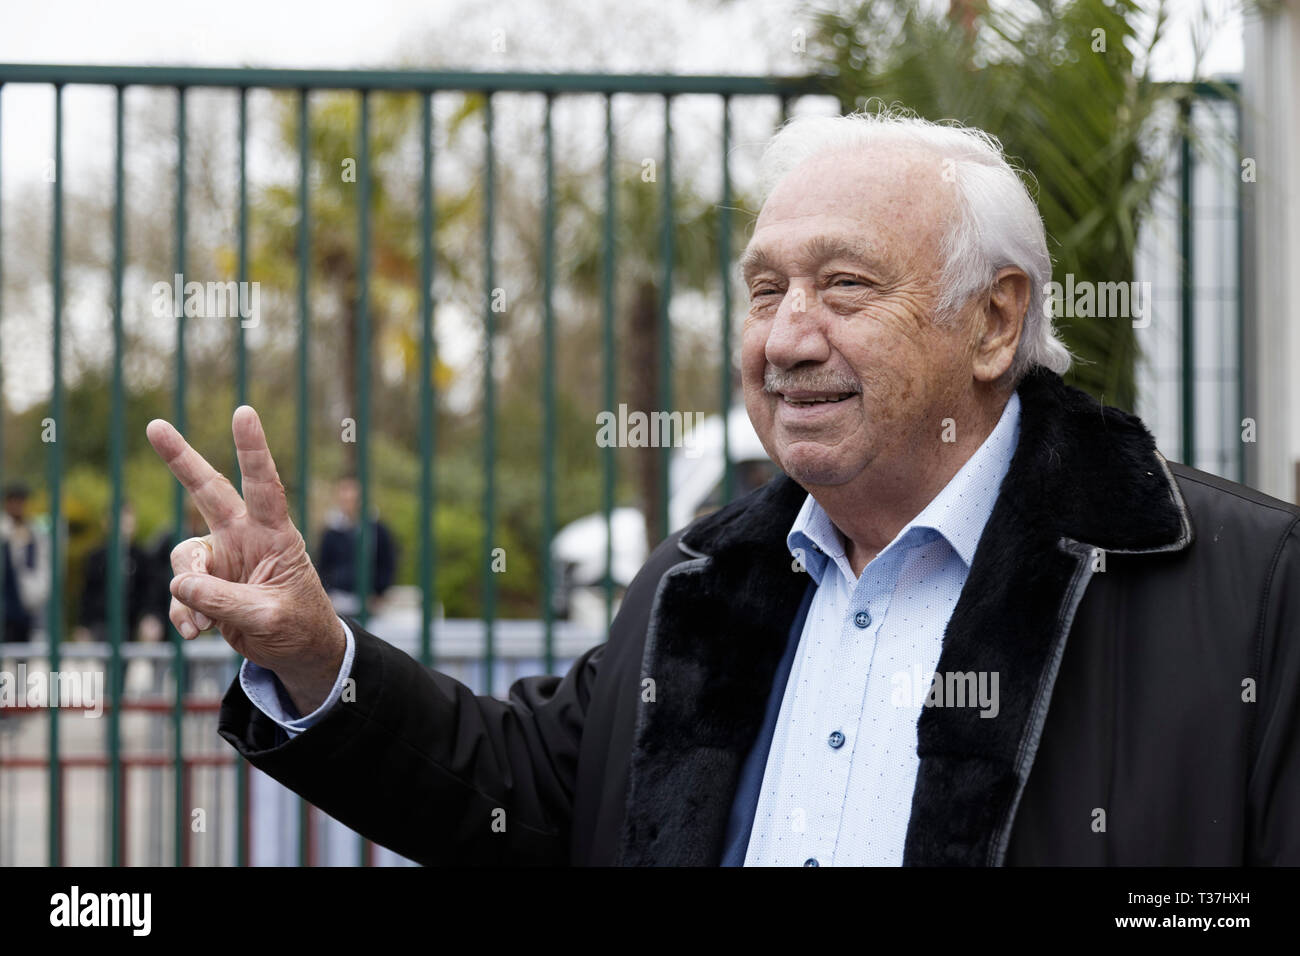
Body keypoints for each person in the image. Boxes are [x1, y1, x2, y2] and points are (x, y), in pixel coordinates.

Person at [145, 108, 1300, 866]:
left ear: (994, 321)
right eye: (763, 289)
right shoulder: (701, 583)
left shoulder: (1242, 587)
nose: (786, 338)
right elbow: (524, 796)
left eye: (843, 285)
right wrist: (309, 650)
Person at [314, 476, 396, 616]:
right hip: (337, 600)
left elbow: (387, 563)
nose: (348, 503)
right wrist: (327, 593)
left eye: (352, 499)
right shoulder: (331, 532)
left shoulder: (378, 530)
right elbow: (322, 565)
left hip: (370, 601)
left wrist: (380, 593)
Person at [1, 482, 49, 639]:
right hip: (5, 603)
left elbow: (41, 565)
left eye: (21, 502)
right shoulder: (4, 530)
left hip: (25, 606)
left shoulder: (34, 532)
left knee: (22, 659)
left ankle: (22, 665)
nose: (17, 506)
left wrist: (38, 591)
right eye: (13, 501)